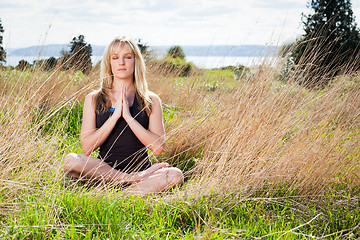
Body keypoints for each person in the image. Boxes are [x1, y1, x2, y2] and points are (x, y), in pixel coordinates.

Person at [63, 36, 184, 196]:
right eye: (115, 58)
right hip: (104, 172)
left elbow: (158, 148)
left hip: (143, 171)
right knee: (71, 160)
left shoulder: (151, 100)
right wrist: (114, 117)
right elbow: (87, 148)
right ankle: (128, 181)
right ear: (109, 63)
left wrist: (128, 116)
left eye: (128, 57)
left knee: (175, 175)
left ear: (136, 61)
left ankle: (119, 196)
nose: (121, 62)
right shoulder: (93, 99)